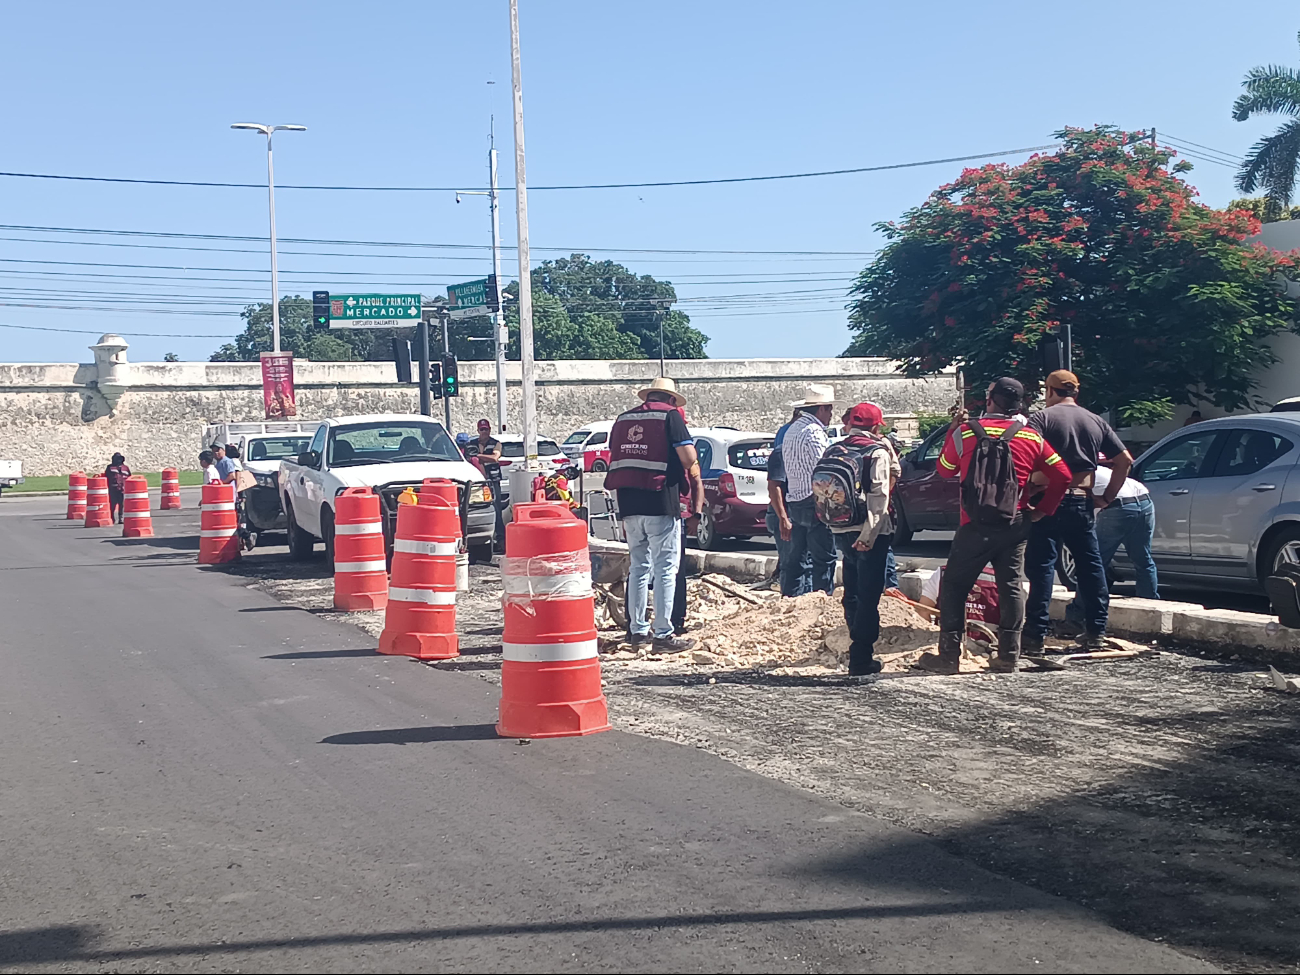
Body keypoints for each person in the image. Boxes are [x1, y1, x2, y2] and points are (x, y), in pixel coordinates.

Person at [931, 377, 1072, 673]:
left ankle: (948, 657)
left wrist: (953, 430)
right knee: (1010, 586)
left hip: (974, 524)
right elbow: (1064, 476)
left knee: (955, 586)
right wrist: (1042, 510)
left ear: (990, 399)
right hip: (1015, 521)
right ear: (1018, 404)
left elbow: (944, 471)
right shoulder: (1031, 437)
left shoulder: (967, 433)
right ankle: (1008, 655)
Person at [1025, 370, 1134, 652]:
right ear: (1076, 392)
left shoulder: (1041, 419)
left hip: (1046, 501)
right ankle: (1096, 630)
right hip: (1081, 501)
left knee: (1042, 568)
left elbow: (1028, 459)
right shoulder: (1095, 420)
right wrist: (1107, 496)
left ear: (1049, 391)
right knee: (1090, 566)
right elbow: (1124, 461)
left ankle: (1034, 635)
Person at [605, 377, 705, 653]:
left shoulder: (623, 419)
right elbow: (687, 458)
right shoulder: (670, 417)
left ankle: (636, 631)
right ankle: (663, 634)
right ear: (672, 399)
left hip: (628, 501)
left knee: (638, 567)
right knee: (665, 568)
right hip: (660, 500)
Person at [820, 402, 896, 676]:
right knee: (868, 595)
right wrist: (868, 535)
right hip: (870, 533)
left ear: (851, 423)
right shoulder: (877, 451)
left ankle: (855, 642)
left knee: (851, 589)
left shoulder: (833, 449)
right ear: (876, 426)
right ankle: (861, 658)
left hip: (840, 527)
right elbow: (879, 497)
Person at [1066, 465, 1158, 610]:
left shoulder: (1075, 473)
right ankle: (1150, 604)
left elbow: (1085, 501)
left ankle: (1080, 610)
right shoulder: (1099, 469)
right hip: (1145, 501)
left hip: (1119, 506)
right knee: (1143, 559)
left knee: (1094, 561)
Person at [780, 383, 837, 596]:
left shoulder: (791, 429)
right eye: (829, 409)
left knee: (796, 559)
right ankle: (822, 602)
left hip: (795, 499)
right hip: (815, 501)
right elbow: (824, 470)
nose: (831, 414)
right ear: (821, 408)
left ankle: (790, 599)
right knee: (824, 559)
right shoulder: (814, 433)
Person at [765, 410, 806, 593]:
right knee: (791, 564)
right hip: (784, 514)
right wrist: (783, 518)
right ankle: (791, 602)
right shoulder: (781, 452)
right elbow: (774, 486)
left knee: (803, 563)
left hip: (796, 512)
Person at [472, 419, 506, 553]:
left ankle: (501, 540)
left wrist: (478, 456)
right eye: (482, 429)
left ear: (490, 430)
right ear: (478, 431)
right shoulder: (471, 444)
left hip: (493, 480)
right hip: (477, 482)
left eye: (486, 429)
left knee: (496, 509)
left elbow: (495, 458)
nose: (484, 432)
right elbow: (469, 458)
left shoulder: (495, 444)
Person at [104, 452, 130, 524]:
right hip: (113, 489)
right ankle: (112, 518)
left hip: (122, 489)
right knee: (112, 504)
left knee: (121, 504)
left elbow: (129, 477)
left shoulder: (125, 468)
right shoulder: (110, 467)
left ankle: (121, 518)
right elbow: (106, 477)